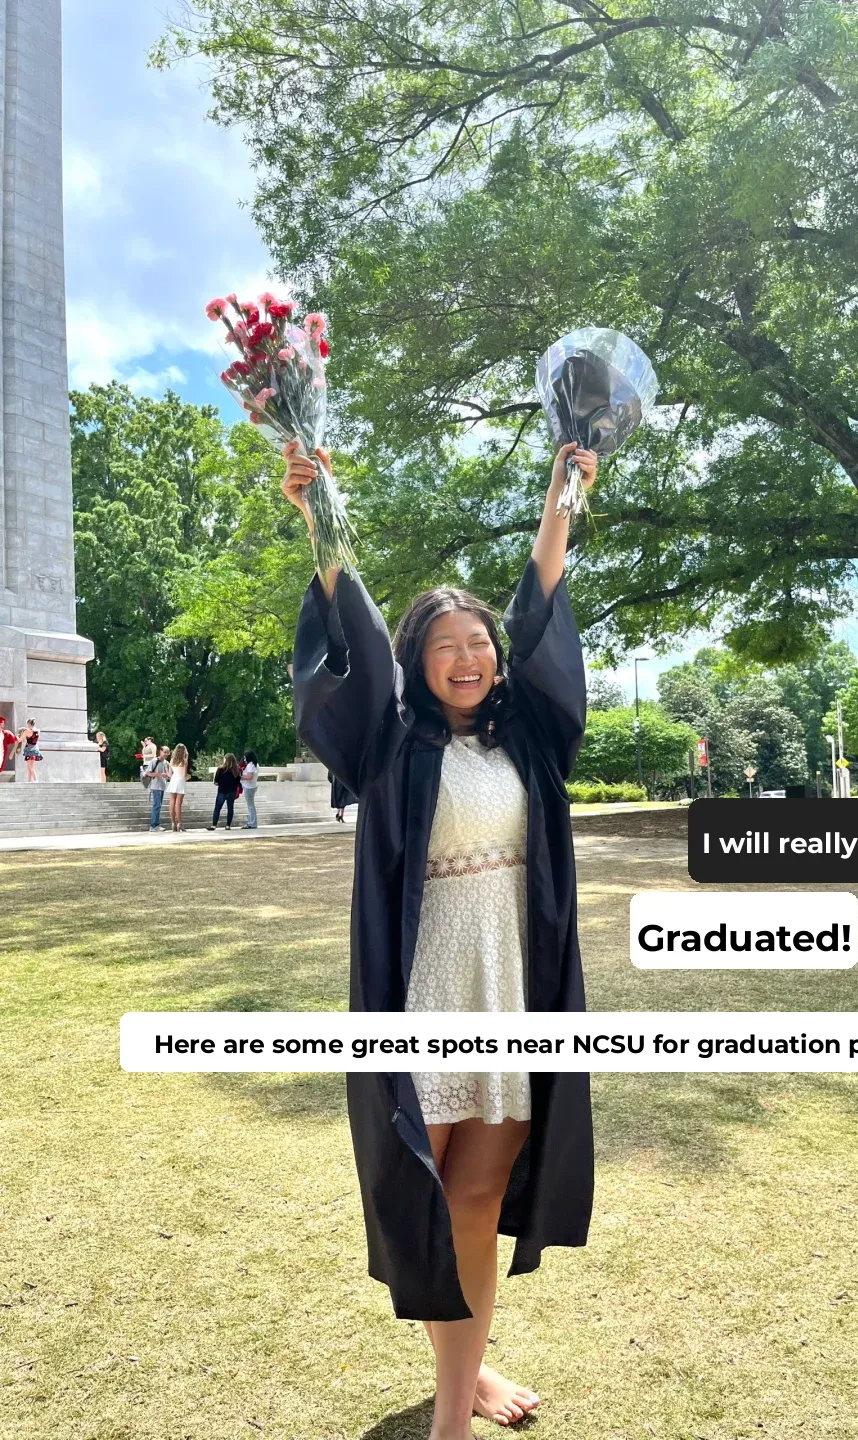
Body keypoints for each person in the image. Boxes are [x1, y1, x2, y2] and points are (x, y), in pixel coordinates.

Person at [285, 435, 597, 1440]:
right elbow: (354, 636)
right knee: (426, 1187)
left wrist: (563, 493)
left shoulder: (528, 738)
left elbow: (541, 608)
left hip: (513, 986)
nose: (469, 658)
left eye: (479, 644)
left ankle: (455, 1405)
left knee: (476, 1199)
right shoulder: (392, 742)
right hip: (425, 990)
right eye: (444, 646)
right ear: (418, 665)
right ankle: (464, 1388)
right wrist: (320, 516)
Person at [208, 754, 242, 830]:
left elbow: (216, 781)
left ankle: (214, 825)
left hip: (222, 791)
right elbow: (238, 781)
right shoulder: (236, 770)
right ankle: (228, 825)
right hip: (232, 791)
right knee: (230, 808)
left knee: (217, 808)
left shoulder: (220, 769)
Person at [141, 744, 171, 831]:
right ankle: (154, 825)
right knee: (157, 805)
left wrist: (167, 776)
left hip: (162, 786)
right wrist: (159, 774)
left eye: (167, 752)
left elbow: (168, 774)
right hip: (155, 786)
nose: (166, 754)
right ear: (160, 751)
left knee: (158, 806)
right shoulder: (154, 761)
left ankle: (155, 825)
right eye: (165, 752)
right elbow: (148, 773)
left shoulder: (166, 763)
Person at [167, 744, 189, 831]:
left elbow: (169, 774)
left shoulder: (172, 760)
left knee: (172, 802)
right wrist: (189, 777)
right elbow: (184, 775)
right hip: (180, 781)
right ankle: (180, 823)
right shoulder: (184, 761)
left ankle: (173, 823)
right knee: (178, 803)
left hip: (173, 780)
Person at [240, 749, 259, 829]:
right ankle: (252, 822)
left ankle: (252, 823)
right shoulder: (255, 764)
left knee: (250, 806)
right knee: (251, 805)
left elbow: (249, 776)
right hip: (252, 786)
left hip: (249, 787)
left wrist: (240, 777)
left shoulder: (250, 765)